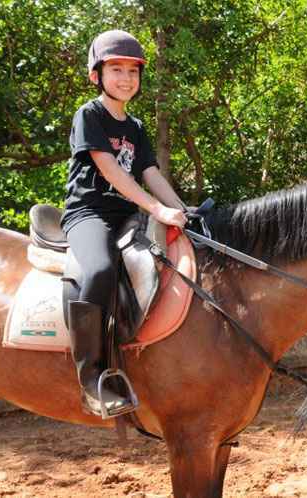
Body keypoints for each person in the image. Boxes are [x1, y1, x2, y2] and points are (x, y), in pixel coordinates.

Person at [61, 30, 188, 416]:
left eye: (132, 71)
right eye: (116, 69)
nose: (126, 78)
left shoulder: (134, 126)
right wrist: (157, 210)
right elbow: (112, 171)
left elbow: (150, 173)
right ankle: (92, 377)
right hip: (89, 213)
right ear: (96, 74)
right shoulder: (90, 115)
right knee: (99, 269)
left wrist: (182, 210)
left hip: (126, 217)